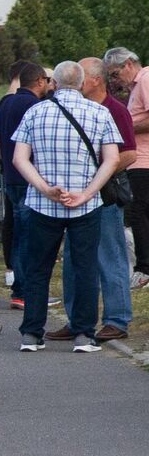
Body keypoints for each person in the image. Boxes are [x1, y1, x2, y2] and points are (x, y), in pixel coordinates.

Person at [10, 60, 122, 353]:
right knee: (85, 268)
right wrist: (87, 193)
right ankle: (84, 334)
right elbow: (111, 159)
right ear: (83, 83)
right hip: (85, 205)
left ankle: (32, 334)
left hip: (43, 204)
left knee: (37, 269)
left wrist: (45, 188)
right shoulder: (100, 113)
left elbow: (19, 159)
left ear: (54, 83)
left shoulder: (35, 112)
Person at [72, 56, 133, 340]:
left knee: (111, 255)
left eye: (81, 76)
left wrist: (99, 173)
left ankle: (117, 319)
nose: (76, 81)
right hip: (79, 196)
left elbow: (130, 154)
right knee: (74, 258)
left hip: (105, 195)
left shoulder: (115, 110)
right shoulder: (77, 108)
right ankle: (76, 320)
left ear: (95, 79)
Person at [0, 61, 51, 307]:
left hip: (10, 175)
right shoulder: (35, 106)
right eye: (46, 81)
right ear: (39, 81)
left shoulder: (5, 103)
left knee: (18, 232)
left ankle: (18, 289)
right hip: (30, 178)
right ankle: (27, 291)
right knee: (31, 236)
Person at [120, 48, 149, 289]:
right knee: (138, 213)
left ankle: (144, 269)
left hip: (144, 160)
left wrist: (127, 127)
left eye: (115, 72)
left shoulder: (146, 79)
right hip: (137, 160)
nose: (114, 79)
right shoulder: (135, 86)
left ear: (129, 64)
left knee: (138, 213)